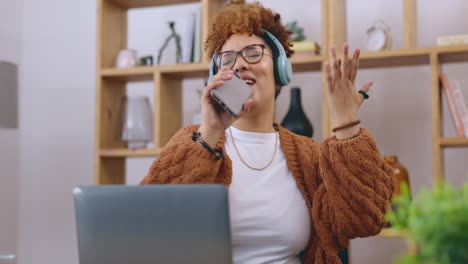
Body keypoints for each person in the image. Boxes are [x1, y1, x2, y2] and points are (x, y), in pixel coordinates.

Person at [140, 2, 396, 264]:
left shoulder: (311, 155)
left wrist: (346, 123)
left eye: (252, 52)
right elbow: (152, 224)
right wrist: (211, 131)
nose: (238, 65)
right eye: (227, 59)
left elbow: (367, 220)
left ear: (281, 70)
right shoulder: (195, 141)